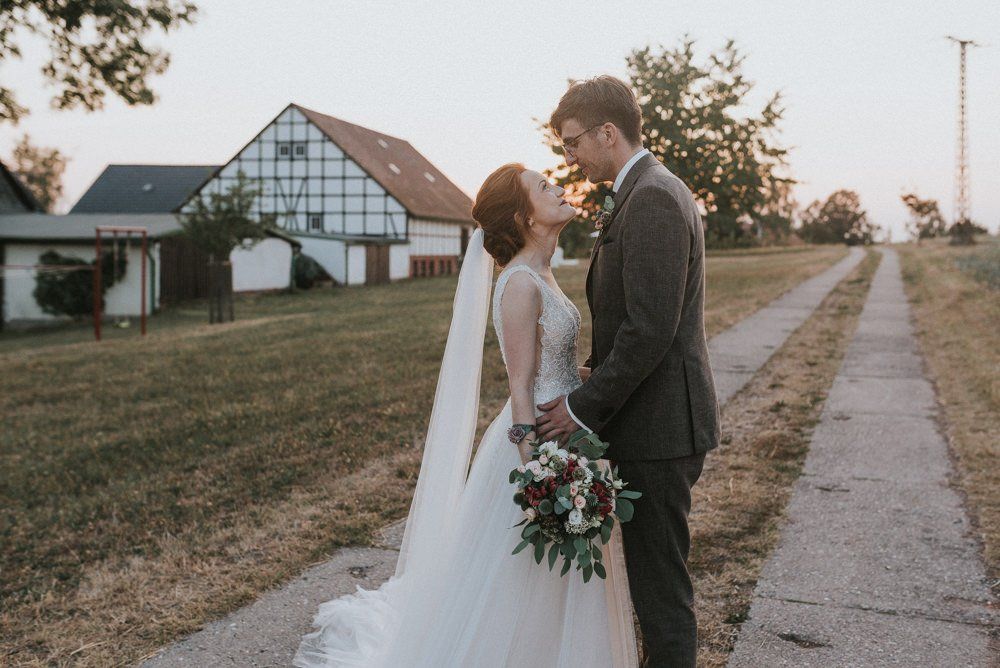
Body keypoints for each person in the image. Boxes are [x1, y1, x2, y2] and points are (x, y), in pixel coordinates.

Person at [293, 163, 638, 667]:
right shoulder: (520, 282)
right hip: (540, 442)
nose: (559, 188)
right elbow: (519, 384)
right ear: (523, 216)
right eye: (545, 187)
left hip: (570, 432)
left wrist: (588, 382)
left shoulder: (543, 272)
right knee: (523, 577)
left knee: (560, 577)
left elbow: (554, 363)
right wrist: (536, 472)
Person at [535, 75, 721, 668]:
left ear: (607, 133)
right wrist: (597, 365)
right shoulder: (640, 192)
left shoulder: (656, 199)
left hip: (663, 428)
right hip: (649, 421)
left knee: (661, 591)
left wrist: (579, 407)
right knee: (651, 581)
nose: (569, 156)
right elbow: (634, 319)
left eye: (572, 143)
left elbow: (651, 329)